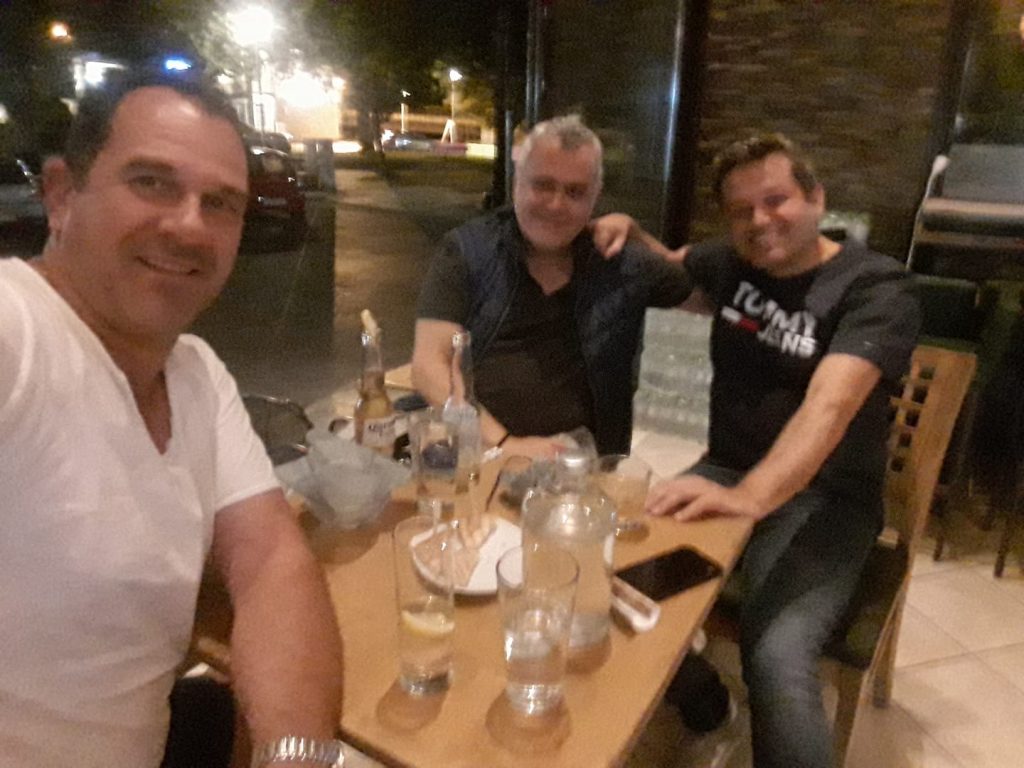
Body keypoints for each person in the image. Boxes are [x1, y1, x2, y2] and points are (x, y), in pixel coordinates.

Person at [0, 70, 344, 767]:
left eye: (220, 203)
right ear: (63, 195)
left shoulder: (195, 373)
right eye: (152, 182)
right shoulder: (19, 332)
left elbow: (271, 562)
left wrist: (297, 758)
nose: (189, 225)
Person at [594, 133, 921, 768]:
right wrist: (630, 231)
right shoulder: (730, 263)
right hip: (726, 470)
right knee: (611, 588)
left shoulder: (876, 288)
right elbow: (673, 263)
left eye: (776, 200)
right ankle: (707, 706)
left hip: (830, 498)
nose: (760, 221)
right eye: (741, 210)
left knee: (776, 654)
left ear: (816, 198)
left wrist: (749, 497)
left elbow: (829, 406)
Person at [412, 115, 693, 458]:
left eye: (575, 192)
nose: (556, 204)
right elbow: (428, 366)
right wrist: (505, 445)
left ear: (595, 197)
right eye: (543, 185)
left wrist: (637, 234)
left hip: (584, 464)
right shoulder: (468, 251)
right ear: (517, 183)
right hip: (479, 456)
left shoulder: (620, 262)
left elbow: (697, 287)